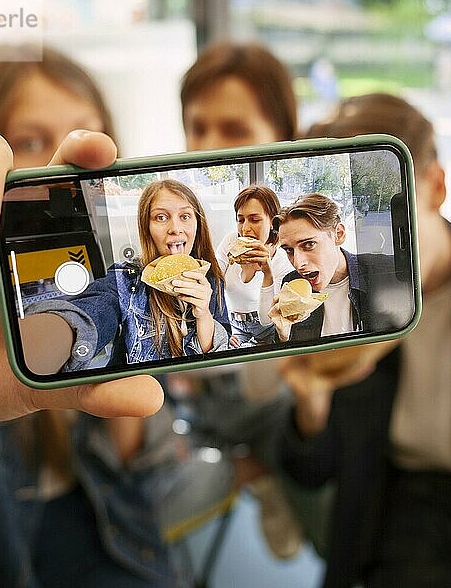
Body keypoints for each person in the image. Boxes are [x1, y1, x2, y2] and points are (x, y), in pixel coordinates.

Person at [0, 43, 188, 588]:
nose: (64, 162)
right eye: (30, 141)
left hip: (121, 551)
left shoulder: (129, 279)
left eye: (86, 132)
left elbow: (156, 477)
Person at [278, 93, 451, 587]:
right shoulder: (329, 306)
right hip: (400, 507)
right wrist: (311, 407)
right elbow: (312, 470)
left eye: (382, 207)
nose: (372, 239)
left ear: (435, 187)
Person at [172, 39, 328, 561]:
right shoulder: (187, 209)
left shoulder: (292, 237)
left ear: (281, 137)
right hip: (192, 395)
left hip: (267, 394)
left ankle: (267, 477)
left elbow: (289, 325)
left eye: (234, 130)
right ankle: (253, 476)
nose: (208, 144)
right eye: (197, 127)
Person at [23, 178, 230, 372]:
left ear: (197, 224)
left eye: (185, 216)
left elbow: (220, 355)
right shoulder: (126, 279)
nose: (175, 228)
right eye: (161, 217)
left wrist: (203, 315)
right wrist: (42, 342)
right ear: (146, 228)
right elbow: (92, 313)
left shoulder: (212, 279)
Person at [265, 192, 402, 343]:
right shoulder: (292, 284)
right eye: (289, 250)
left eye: (309, 244)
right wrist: (283, 337)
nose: (298, 263)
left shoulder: (388, 272)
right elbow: (295, 360)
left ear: (339, 234)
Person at [215, 184, 293, 347]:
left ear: (272, 222)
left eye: (255, 220)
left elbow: (267, 319)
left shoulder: (282, 260)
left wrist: (267, 273)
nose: (245, 229)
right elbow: (213, 285)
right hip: (234, 324)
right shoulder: (230, 242)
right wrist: (222, 329)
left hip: (266, 329)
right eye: (240, 219)